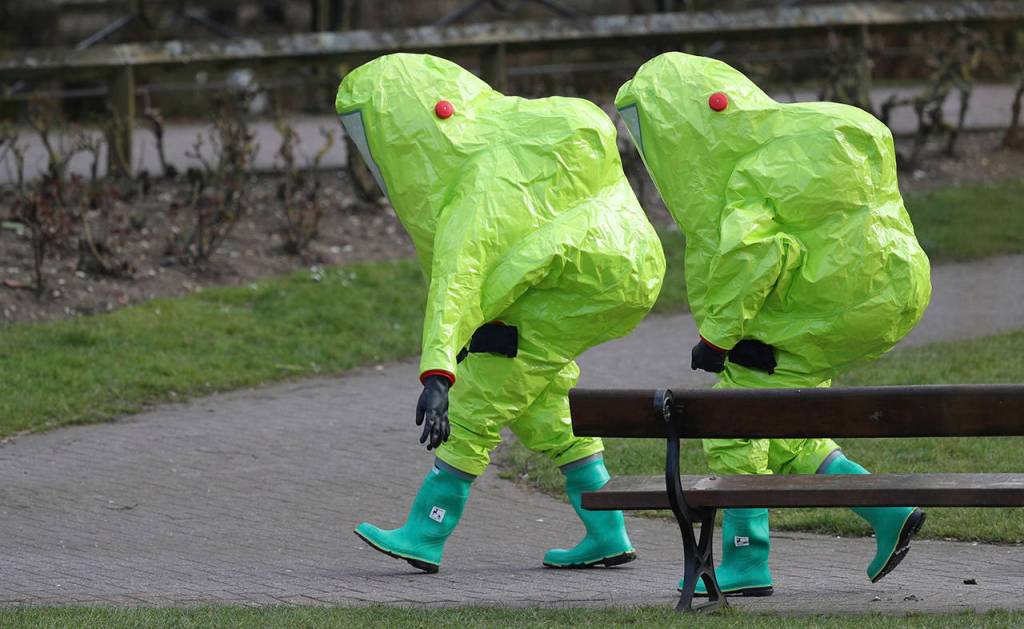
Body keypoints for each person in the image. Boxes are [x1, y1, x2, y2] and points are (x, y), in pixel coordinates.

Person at [614, 52, 932, 596]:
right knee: (787, 426)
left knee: (735, 421)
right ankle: (888, 510)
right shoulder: (789, 150)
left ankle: (745, 560)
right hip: (862, 307)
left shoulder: (749, 172)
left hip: (804, 320)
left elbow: (754, 256)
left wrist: (717, 338)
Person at [337, 53, 666, 573]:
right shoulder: (519, 139)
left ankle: (427, 531)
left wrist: (440, 372)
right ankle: (608, 531)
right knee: (546, 403)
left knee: (481, 392)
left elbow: (459, 278)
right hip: (616, 270)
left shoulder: (481, 180)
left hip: (573, 283)